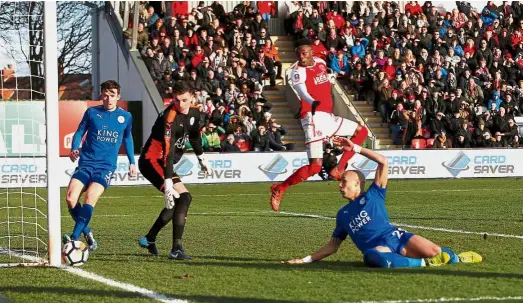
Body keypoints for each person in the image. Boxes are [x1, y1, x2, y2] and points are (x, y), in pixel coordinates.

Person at [284, 136, 482, 268]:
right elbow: (333, 246)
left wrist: (355, 148)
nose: (339, 185)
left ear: (357, 184)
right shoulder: (342, 215)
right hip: (379, 248)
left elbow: (383, 161)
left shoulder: (374, 194)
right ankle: (424, 264)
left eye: (344, 181)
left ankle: (457, 257)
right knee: (373, 256)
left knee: (435, 251)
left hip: (396, 236)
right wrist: (305, 260)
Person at [270, 39, 368, 212]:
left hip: (328, 117)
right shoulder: (297, 71)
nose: (301, 57)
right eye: (298, 54)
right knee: (315, 167)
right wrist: (311, 101)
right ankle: (280, 188)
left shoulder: (321, 63)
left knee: (361, 131)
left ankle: (339, 167)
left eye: (304, 53)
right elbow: (301, 91)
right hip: (312, 117)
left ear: (312, 52)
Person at [138, 81, 210, 260]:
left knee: (181, 200)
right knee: (183, 197)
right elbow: (168, 153)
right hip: (151, 161)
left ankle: (149, 238)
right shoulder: (168, 118)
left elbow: (194, 137)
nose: (181, 105)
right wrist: (168, 182)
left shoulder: (194, 112)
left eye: (185, 100)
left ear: (192, 97)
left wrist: (201, 158)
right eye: (177, 101)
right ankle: (176, 248)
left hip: (164, 162)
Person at [63, 80, 136, 250]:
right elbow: (80, 131)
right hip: (86, 163)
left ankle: (74, 238)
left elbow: (128, 138)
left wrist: (132, 162)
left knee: (90, 198)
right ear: (101, 95)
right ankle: (87, 232)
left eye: (112, 95)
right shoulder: (92, 112)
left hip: (105, 167)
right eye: (106, 95)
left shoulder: (125, 117)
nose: (109, 99)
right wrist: (74, 148)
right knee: (70, 198)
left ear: (118, 96)